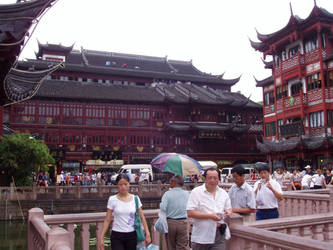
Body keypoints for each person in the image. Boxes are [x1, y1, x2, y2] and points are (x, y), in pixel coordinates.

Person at [98, 173, 151, 250]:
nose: (123, 187)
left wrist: (148, 233)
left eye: (125, 184)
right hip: (117, 235)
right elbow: (107, 219)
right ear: (117, 185)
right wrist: (101, 237)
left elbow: (142, 217)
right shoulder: (112, 199)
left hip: (132, 234)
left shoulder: (135, 199)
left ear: (129, 184)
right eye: (120, 184)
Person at [187, 168, 232, 250]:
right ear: (205, 179)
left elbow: (228, 209)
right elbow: (190, 212)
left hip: (219, 234)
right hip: (201, 235)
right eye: (209, 178)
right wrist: (210, 216)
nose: (212, 180)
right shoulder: (196, 192)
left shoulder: (224, 193)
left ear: (218, 179)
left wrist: (228, 212)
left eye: (215, 178)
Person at [160, 175, 189, 250]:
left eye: (170, 181)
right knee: (182, 246)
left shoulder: (167, 194)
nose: (169, 183)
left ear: (174, 182)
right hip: (183, 222)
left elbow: (163, 207)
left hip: (170, 223)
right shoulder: (187, 194)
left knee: (170, 246)